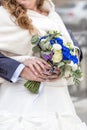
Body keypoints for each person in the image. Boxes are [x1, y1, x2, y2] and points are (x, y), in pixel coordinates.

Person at [0, 0, 86, 129]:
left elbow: (71, 44)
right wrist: (20, 67)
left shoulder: (52, 14)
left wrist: (63, 66)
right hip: (21, 95)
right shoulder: (4, 15)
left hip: (58, 98)